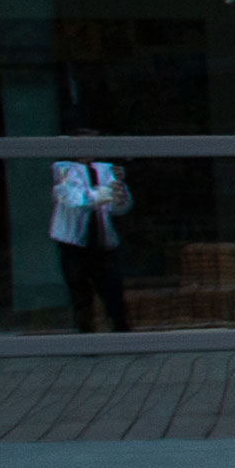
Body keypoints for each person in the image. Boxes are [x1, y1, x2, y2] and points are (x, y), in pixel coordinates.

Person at [49, 136, 134, 333]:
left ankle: (124, 335)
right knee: (80, 294)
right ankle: (87, 339)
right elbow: (74, 200)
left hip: (102, 243)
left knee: (113, 292)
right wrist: (106, 193)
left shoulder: (104, 169)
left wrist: (120, 193)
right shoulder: (63, 169)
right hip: (75, 245)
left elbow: (119, 207)